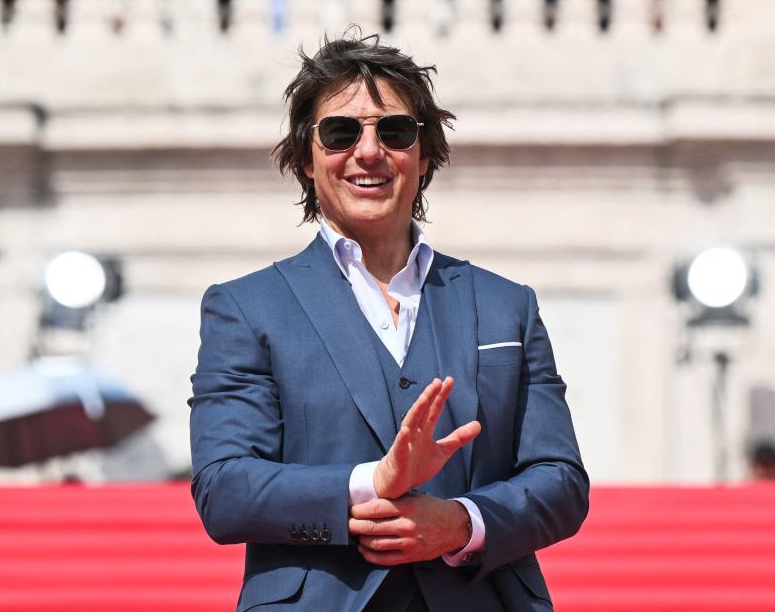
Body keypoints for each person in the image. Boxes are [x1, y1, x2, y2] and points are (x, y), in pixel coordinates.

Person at [189, 31, 589, 611]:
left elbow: (561, 482)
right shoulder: (246, 308)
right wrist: (371, 484)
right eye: (341, 132)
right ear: (306, 156)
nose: (369, 151)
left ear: (425, 155)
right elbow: (224, 490)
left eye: (395, 131)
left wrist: (461, 524)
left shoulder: (507, 305)